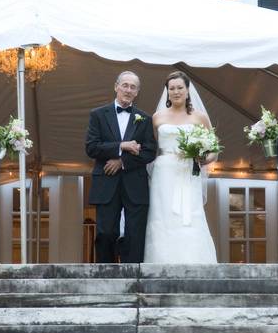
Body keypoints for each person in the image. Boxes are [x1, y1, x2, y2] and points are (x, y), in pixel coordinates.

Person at [143, 71, 218, 264]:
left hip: (188, 171)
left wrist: (202, 159)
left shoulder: (200, 117)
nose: (176, 92)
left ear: (187, 90)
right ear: (167, 92)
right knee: (163, 216)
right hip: (164, 172)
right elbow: (151, 148)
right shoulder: (157, 117)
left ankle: (194, 260)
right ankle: (160, 261)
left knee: (189, 215)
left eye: (179, 88)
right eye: (172, 88)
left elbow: (214, 150)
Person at [85, 71, 157, 263]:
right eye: (125, 85)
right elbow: (91, 148)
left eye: (133, 87)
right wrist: (121, 146)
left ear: (137, 92)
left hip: (135, 184)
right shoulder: (98, 115)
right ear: (116, 86)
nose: (128, 90)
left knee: (135, 235)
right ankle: (105, 277)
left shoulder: (145, 118)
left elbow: (150, 152)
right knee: (106, 232)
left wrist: (122, 162)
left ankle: (132, 279)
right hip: (106, 183)